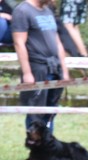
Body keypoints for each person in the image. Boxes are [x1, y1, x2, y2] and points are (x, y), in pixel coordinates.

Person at [11, 0, 69, 133]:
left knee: (50, 112)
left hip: (54, 68)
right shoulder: (22, 11)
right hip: (37, 68)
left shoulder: (47, 10)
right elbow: (19, 43)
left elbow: (57, 41)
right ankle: (37, 151)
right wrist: (27, 73)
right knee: (35, 113)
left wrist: (64, 70)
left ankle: (48, 149)